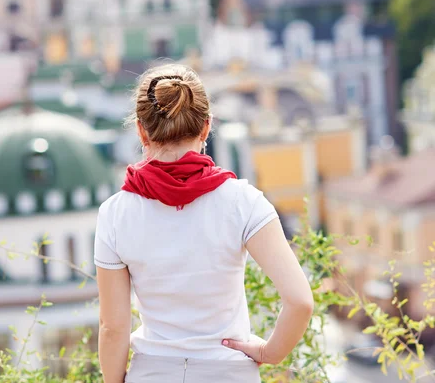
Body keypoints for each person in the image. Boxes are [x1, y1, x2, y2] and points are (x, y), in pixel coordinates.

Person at [94, 64, 314, 383]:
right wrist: (270, 353)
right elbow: (300, 301)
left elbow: (113, 328)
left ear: (141, 131)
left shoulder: (115, 214)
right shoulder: (243, 203)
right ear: (206, 127)